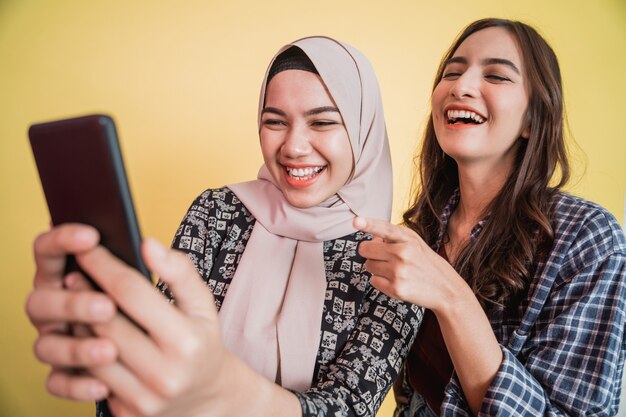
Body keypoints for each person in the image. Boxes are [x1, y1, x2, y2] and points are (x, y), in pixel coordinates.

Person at [25, 37, 422, 417]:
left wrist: (220, 388)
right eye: (275, 121)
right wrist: (112, 348)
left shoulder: (393, 260)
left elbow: (348, 407)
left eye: (321, 123)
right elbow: (152, 364)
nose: (294, 147)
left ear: (362, 131)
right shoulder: (218, 210)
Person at [354, 18, 626, 416]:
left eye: (497, 76)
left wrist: (452, 297)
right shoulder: (422, 233)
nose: (460, 86)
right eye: (452, 72)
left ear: (533, 119)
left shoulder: (587, 239)